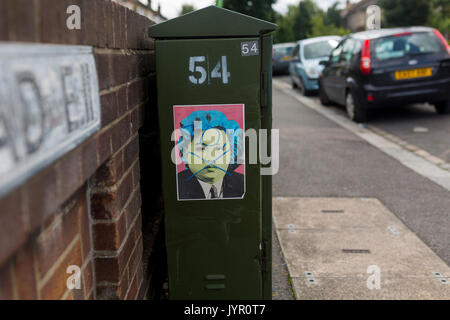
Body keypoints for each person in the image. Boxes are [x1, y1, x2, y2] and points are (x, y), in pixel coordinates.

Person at [176, 110, 244, 200]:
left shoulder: (243, 184)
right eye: (201, 148)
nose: (211, 158)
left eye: (218, 148)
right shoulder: (175, 186)